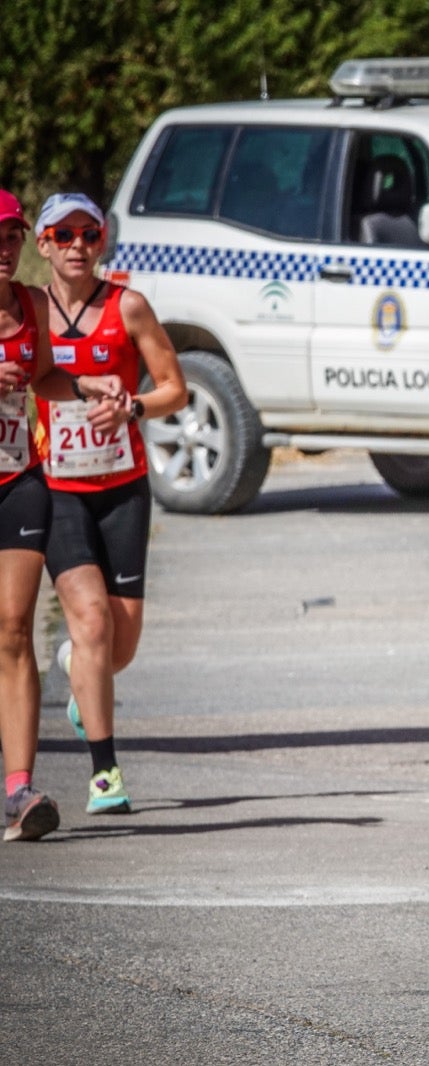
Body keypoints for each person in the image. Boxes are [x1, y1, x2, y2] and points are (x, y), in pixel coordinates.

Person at [35, 192, 188, 815]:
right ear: (42, 243)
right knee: (92, 620)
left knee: (117, 646)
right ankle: (105, 774)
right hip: (55, 489)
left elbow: (175, 389)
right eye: (63, 234)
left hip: (123, 488)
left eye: (89, 234)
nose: (77, 246)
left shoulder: (128, 306)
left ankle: (78, 670)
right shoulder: (24, 311)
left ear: (102, 241)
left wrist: (135, 406)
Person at [0, 189, 118, 840]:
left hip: (19, 478)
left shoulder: (30, 305)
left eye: (12, 237)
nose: (5, 249)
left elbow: (43, 374)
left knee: (14, 629)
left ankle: (19, 792)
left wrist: (81, 387)